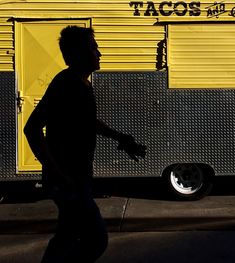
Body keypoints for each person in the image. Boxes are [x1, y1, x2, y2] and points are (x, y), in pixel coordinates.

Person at [24, 26, 146, 263]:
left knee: (67, 235)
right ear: (76, 54)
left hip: (76, 178)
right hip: (68, 182)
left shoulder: (80, 84)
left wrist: (120, 138)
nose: (99, 53)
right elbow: (31, 128)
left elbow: (88, 121)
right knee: (96, 238)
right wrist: (56, 171)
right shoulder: (66, 84)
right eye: (93, 47)